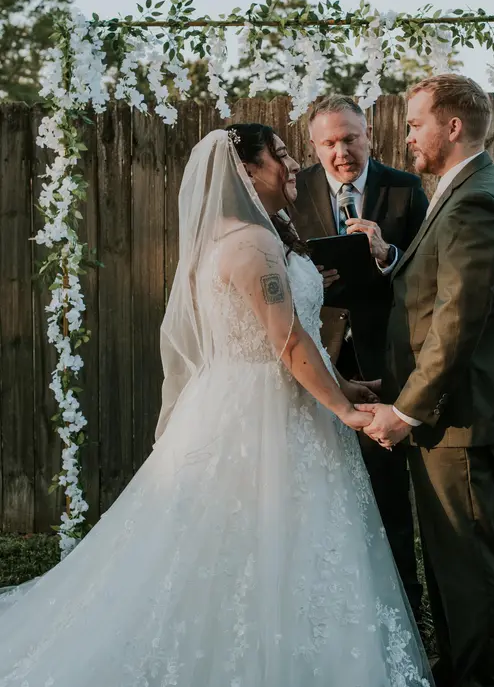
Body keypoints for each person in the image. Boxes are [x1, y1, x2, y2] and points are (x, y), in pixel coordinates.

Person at [0, 124, 431, 687]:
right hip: (258, 419)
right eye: (280, 155)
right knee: (247, 540)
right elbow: (287, 342)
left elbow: (282, 336)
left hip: (275, 401)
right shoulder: (251, 245)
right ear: (246, 171)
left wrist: (341, 387)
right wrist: (345, 412)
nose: (293, 165)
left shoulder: (251, 237)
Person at [357, 75, 494, 687]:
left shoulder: (477, 201)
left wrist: (404, 413)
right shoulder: (462, 190)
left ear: (452, 126)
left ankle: (482, 678)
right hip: (448, 415)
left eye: (414, 124)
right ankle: (457, 668)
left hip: (455, 416)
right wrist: (390, 260)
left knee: (467, 562)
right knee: (450, 559)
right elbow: (437, 290)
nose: (406, 136)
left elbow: (456, 325)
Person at [291, 95, 428, 616]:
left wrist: (387, 255)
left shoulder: (405, 188)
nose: (341, 152)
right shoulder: (294, 188)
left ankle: (405, 614)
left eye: (349, 138)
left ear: (368, 134)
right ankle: (327, 614)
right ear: (313, 146)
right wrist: (309, 279)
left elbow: (427, 273)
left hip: (382, 362)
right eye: (328, 142)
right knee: (317, 491)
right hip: (315, 360)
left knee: (388, 493)